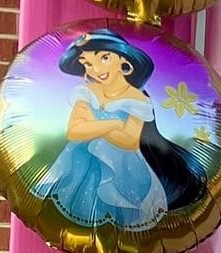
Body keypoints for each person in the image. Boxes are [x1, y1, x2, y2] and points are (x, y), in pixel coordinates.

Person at [32, 30, 206, 236]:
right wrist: (113, 124)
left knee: (117, 211)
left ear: (124, 59)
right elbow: (75, 131)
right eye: (87, 63)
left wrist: (94, 125)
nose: (96, 69)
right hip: (79, 164)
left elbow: (129, 141)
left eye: (104, 58)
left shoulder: (138, 100)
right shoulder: (88, 92)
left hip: (124, 169)